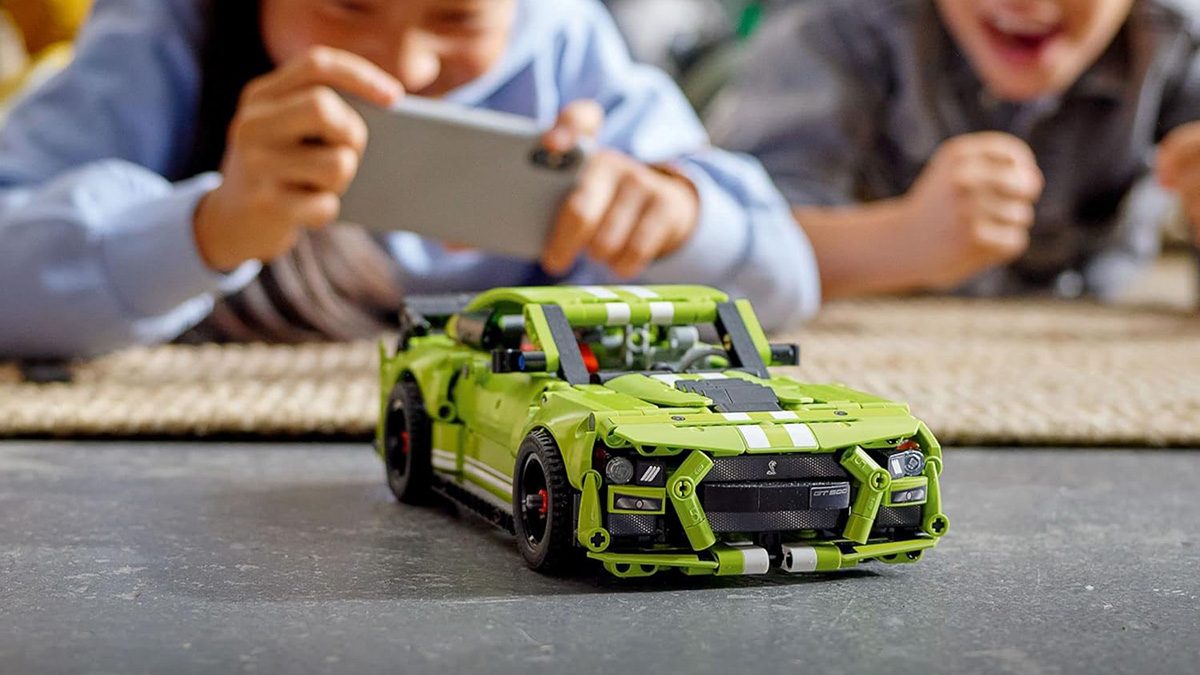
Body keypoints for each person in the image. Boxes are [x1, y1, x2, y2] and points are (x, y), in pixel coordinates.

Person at [0, 0, 819, 358]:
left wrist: (674, 217)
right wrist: (207, 229)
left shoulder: (563, 38)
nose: (405, 66)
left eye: (458, 15)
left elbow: (784, 277)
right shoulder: (165, 31)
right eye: (347, 6)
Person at [708, 0, 1200, 299]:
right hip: (726, 83)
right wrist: (900, 239)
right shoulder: (831, 24)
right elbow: (719, 243)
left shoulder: (1178, 35)